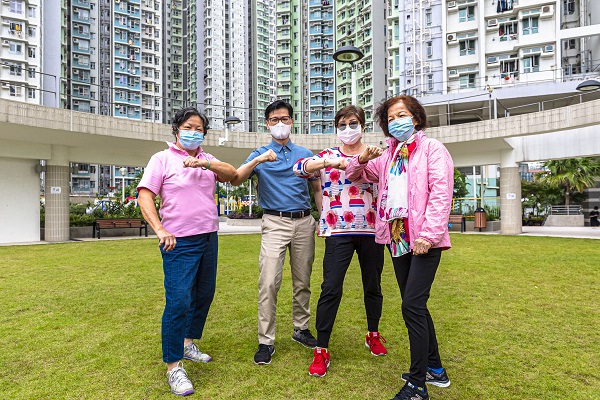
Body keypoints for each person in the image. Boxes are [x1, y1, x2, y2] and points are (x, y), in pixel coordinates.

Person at [345, 95, 454, 400]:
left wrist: (428, 235)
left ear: (416, 118)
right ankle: (435, 370)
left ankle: (418, 385)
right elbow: (356, 174)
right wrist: (362, 158)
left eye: (401, 115)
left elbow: (441, 194)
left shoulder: (433, 149)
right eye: (390, 118)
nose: (396, 122)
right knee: (414, 305)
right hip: (398, 237)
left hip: (422, 239)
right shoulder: (388, 155)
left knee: (412, 307)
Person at [137, 107, 238, 396]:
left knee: (204, 294)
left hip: (208, 238)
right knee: (179, 300)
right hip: (178, 241)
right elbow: (145, 195)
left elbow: (232, 175)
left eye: (199, 128)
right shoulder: (162, 159)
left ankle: (188, 343)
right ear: (177, 129)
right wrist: (160, 229)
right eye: (188, 126)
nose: (193, 131)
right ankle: (173, 366)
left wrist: (206, 165)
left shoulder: (207, 158)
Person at [293, 105, 386, 378]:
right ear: (336, 129)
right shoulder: (327, 156)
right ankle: (321, 349)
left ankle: (373, 334)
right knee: (331, 288)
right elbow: (299, 168)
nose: (348, 129)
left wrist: (366, 160)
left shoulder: (375, 154)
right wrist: (328, 162)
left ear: (363, 126)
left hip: (371, 231)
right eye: (343, 124)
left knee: (373, 285)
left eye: (353, 123)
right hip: (337, 232)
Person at [230, 100, 321, 365]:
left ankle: (301, 328)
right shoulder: (259, 153)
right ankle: (265, 341)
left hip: (304, 221)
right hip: (274, 222)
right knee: (269, 281)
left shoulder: (305, 153)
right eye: (273, 120)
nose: (279, 124)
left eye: (284, 119)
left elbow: (316, 189)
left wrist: (323, 217)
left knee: (302, 280)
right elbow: (236, 178)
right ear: (267, 124)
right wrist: (258, 159)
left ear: (292, 121)